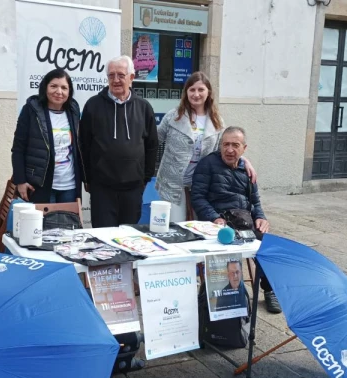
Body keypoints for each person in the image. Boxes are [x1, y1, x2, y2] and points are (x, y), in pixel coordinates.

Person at [190, 126, 281, 313]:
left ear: (244, 148)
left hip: (244, 221)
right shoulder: (208, 164)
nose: (229, 150)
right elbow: (197, 197)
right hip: (219, 222)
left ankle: (270, 290)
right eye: (226, 144)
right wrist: (214, 218)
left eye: (235, 145)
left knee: (267, 245)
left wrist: (261, 217)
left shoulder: (247, 170)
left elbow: (255, 201)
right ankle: (222, 296)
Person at [156, 72, 256, 222]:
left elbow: (223, 149)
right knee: (175, 226)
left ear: (208, 92)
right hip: (173, 185)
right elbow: (154, 140)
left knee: (198, 228)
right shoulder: (173, 116)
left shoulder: (217, 121)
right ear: (186, 92)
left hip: (201, 186)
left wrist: (244, 160)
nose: (196, 94)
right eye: (192, 90)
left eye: (201, 89)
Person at [79, 55, 158, 228]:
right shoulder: (93, 105)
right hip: (102, 188)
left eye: (121, 75)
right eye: (111, 75)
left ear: (131, 77)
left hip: (133, 188)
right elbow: (83, 144)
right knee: (103, 234)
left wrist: (145, 178)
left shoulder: (144, 107)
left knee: (128, 235)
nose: (115, 80)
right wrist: (87, 179)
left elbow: (152, 145)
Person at [11, 69, 82, 203]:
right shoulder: (31, 110)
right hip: (40, 185)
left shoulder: (73, 110)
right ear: (45, 87)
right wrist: (20, 181)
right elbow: (18, 148)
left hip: (69, 186)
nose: (59, 92)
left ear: (69, 91)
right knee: (42, 218)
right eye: (53, 86)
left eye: (64, 88)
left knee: (68, 218)